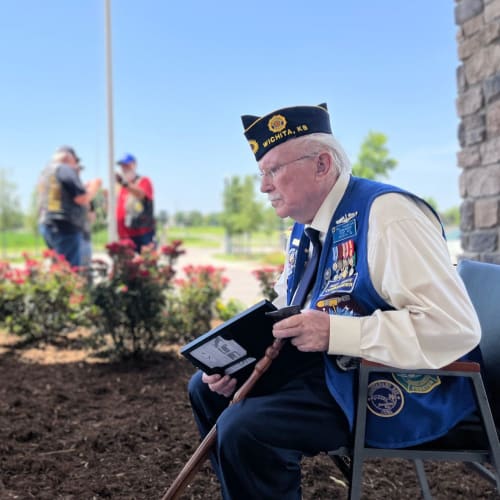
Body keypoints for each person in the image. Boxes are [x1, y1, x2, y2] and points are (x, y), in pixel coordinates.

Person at [187, 103, 482, 499]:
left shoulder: (389, 214)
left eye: (273, 170)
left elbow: (453, 329)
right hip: (335, 367)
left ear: (322, 164)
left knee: (247, 428)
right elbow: (289, 301)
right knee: (206, 388)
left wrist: (335, 332)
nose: (263, 186)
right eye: (262, 173)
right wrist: (237, 357)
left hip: (397, 379)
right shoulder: (305, 225)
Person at [43, 146, 101, 267]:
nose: (76, 169)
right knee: (72, 273)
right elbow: (81, 199)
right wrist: (94, 188)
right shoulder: (64, 169)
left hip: (50, 225)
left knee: (60, 269)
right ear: (69, 158)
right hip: (66, 228)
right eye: (76, 163)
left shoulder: (48, 173)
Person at [115, 153, 156, 253]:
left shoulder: (143, 181)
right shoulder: (120, 187)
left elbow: (141, 194)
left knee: (144, 265)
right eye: (122, 166)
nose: (124, 168)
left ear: (134, 165)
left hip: (141, 235)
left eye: (127, 165)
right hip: (124, 235)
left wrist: (124, 183)